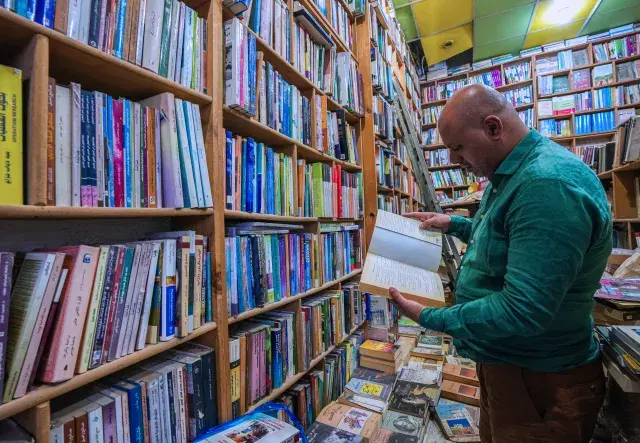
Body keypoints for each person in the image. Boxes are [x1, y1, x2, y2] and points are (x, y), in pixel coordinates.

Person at [389, 84, 612, 443]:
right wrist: (455, 224)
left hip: (540, 379)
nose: (453, 161)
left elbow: (523, 309)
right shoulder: (509, 171)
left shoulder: (546, 185)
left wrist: (430, 317)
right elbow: (501, 233)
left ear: (493, 127)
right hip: (508, 366)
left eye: (457, 147)